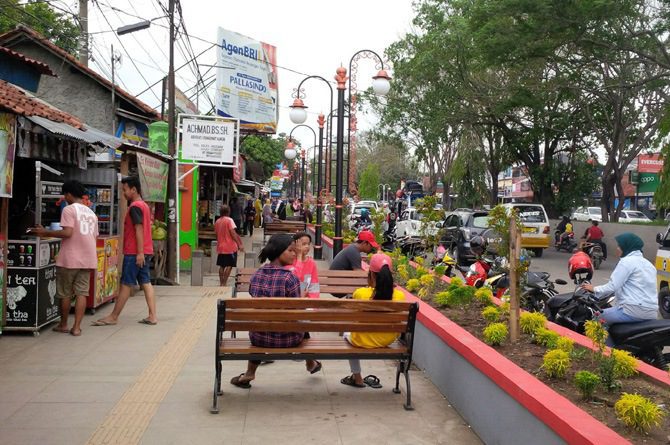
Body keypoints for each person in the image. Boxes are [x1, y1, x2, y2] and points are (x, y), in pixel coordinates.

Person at [229, 234, 322, 388]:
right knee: (301, 321)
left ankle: (250, 372)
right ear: (279, 252)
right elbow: (298, 310)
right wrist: (301, 297)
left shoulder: (256, 275)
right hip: (289, 339)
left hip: (259, 337)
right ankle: (310, 363)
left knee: (262, 321)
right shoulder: (289, 278)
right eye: (291, 251)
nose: (294, 254)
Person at [32, 180, 98, 336]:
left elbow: (67, 232)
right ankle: (77, 328)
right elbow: (93, 236)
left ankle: (63, 324)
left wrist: (45, 233)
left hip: (70, 258)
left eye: (65, 194)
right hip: (88, 258)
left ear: (68, 194)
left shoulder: (69, 210)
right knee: (82, 292)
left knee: (65, 292)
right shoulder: (91, 213)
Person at [93, 176, 157, 326]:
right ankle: (152, 316)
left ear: (133, 189)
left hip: (135, 252)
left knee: (126, 284)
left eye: (125, 189)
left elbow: (138, 229)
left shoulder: (135, 206)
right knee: (146, 282)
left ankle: (113, 316)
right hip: (145, 250)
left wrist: (139, 253)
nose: (123, 193)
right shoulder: (144, 206)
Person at [580, 233, 658, 346]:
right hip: (651, 311)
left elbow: (613, 286)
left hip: (632, 309)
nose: (617, 249)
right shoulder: (649, 264)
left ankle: (608, 353)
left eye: (619, 246)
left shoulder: (626, 262)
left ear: (627, 247)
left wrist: (594, 289)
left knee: (597, 318)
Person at [340, 253, 405, 388]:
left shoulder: (360, 293)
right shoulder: (400, 297)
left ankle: (357, 377)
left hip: (360, 341)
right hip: (387, 340)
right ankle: (356, 377)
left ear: (371, 274)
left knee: (347, 331)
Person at [214, 205, 244, 286]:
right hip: (230, 247)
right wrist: (239, 244)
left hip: (221, 247)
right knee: (230, 265)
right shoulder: (229, 220)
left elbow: (216, 234)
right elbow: (233, 233)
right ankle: (225, 282)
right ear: (228, 211)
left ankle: (221, 283)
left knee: (222, 265)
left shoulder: (217, 221)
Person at [287, 232, 319, 298]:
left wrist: (313, 302)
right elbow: (294, 278)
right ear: (295, 245)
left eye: (308, 244)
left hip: (306, 300)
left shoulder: (311, 262)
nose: (307, 246)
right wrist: (299, 256)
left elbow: (314, 285)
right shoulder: (289, 260)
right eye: (303, 244)